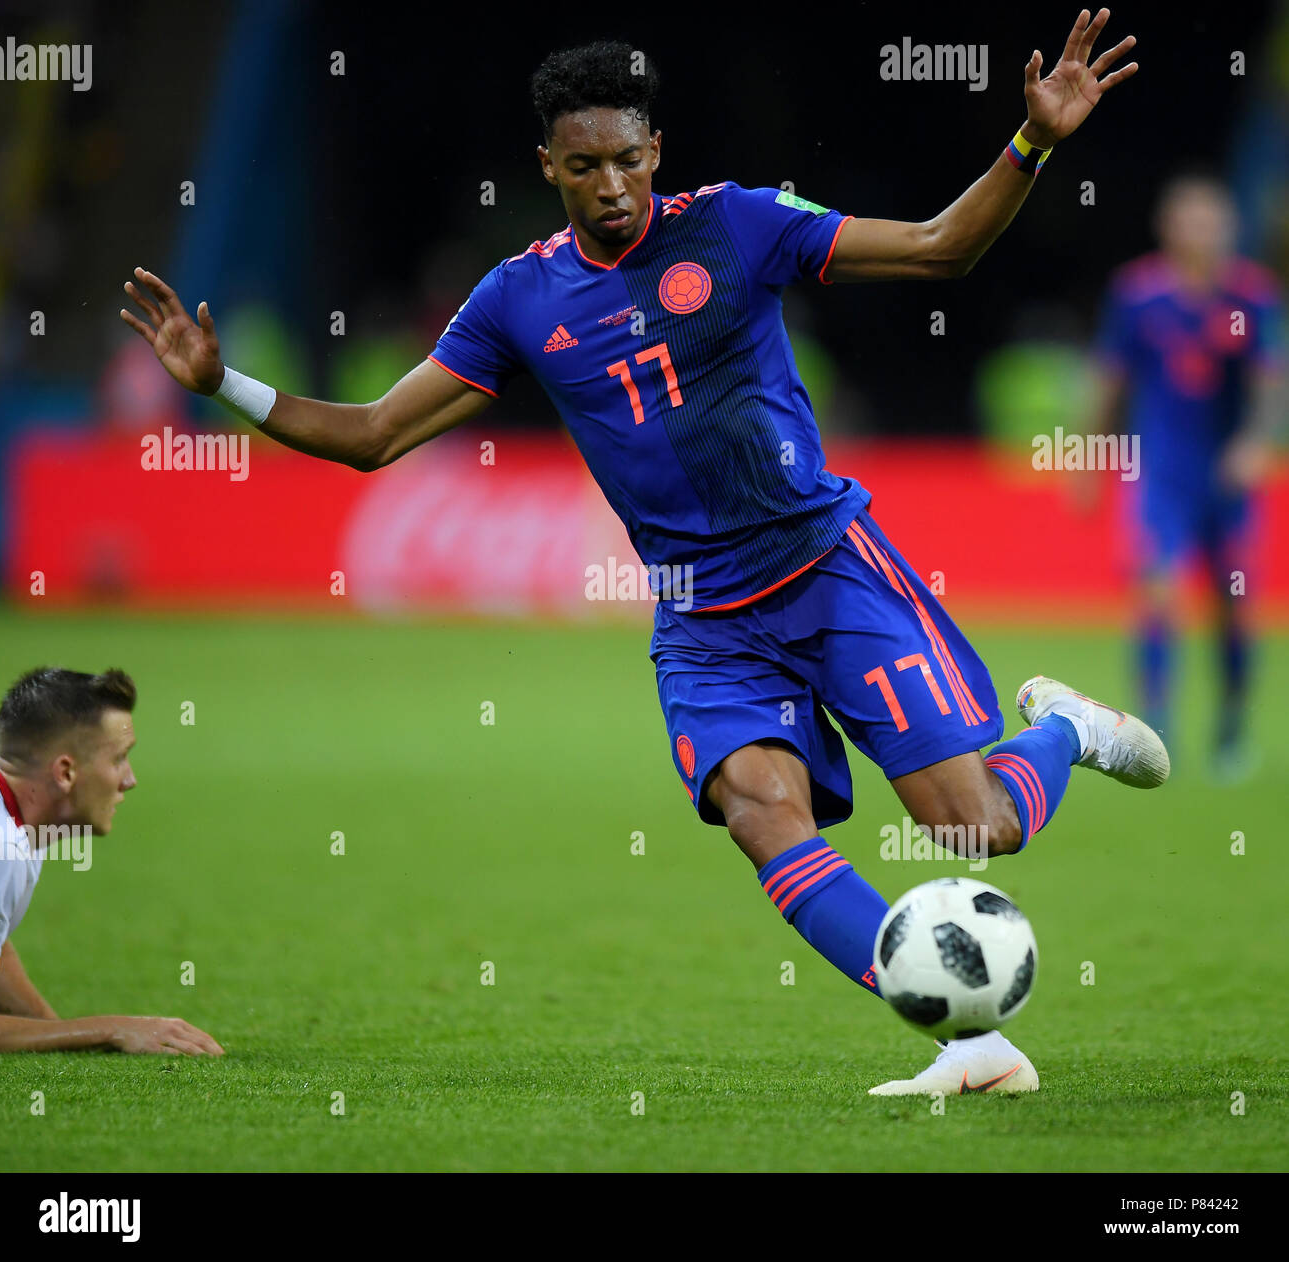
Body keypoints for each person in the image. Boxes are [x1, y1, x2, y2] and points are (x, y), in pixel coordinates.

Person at [120, 12, 1157, 1094]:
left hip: (829, 568)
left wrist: (1031, 142)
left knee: (972, 831)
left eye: (626, 159)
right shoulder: (518, 298)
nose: (609, 184)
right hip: (707, 620)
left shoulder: (741, 226)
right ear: (548, 169)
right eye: (583, 167)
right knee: (761, 811)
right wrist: (222, 386)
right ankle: (968, 1040)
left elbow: (943, 244)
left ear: (655, 151)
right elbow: (376, 433)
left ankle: (1065, 730)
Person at [1090, 173, 1285, 778]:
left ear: (1228, 227)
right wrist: (1086, 458)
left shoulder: (1251, 296)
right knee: (1157, 591)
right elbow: (1109, 380)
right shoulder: (1137, 294)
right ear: (1167, 227)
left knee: (1232, 604)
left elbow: (1270, 382)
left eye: (1212, 219)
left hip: (1226, 483)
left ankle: (1230, 728)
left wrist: (1255, 444)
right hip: (1160, 478)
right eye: (1190, 219)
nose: (1201, 230)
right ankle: (1154, 729)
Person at [0, 667, 224, 1055]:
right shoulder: (0, 848)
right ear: (65, 772)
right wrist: (107, 1029)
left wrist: (53, 1030)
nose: (129, 779)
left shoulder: (17, 817)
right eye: (119, 759)